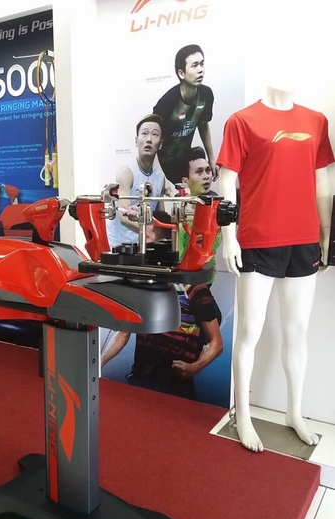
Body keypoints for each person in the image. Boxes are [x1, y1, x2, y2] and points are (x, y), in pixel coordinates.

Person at [217, 63, 335, 452]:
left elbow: (322, 179)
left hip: (304, 239)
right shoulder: (242, 121)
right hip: (258, 238)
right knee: (249, 332)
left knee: (297, 330)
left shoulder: (315, 121)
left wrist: (326, 232)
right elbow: (227, 182)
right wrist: (228, 236)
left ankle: (294, 413)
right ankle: (244, 416)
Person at [101, 212, 223, 401]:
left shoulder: (194, 287)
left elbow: (217, 344)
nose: (141, 244)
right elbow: (123, 335)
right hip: (139, 382)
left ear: (163, 244)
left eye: (147, 238)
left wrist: (193, 368)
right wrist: (98, 363)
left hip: (175, 391)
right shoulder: (142, 282)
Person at [153, 44, 218, 185]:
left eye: (202, 64)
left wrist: (212, 159)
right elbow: (153, 141)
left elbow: (203, 125)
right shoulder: (166, 104)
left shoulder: (206, 94)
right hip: (164, 164)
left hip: (185, 161)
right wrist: (159, 177)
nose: (200, 70)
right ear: (181, 73)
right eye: (194, 65)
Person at [106, 114, 171, 248]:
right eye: (144, 134)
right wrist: (151, 233)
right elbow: (124, 217)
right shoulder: (126, 173)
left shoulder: (160, 178)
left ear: (160, 144)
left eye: (154, 134)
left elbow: (159, 217)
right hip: (119, 247)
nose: (149, 139)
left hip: (145, 246)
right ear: (136, 141)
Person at [177, 146, 221, 285]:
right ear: (185, 181)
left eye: (208, 170)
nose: (206, 176)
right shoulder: (179, 205)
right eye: (199, 172)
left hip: (203, 276)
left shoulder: (217, 206)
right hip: (179, 276)